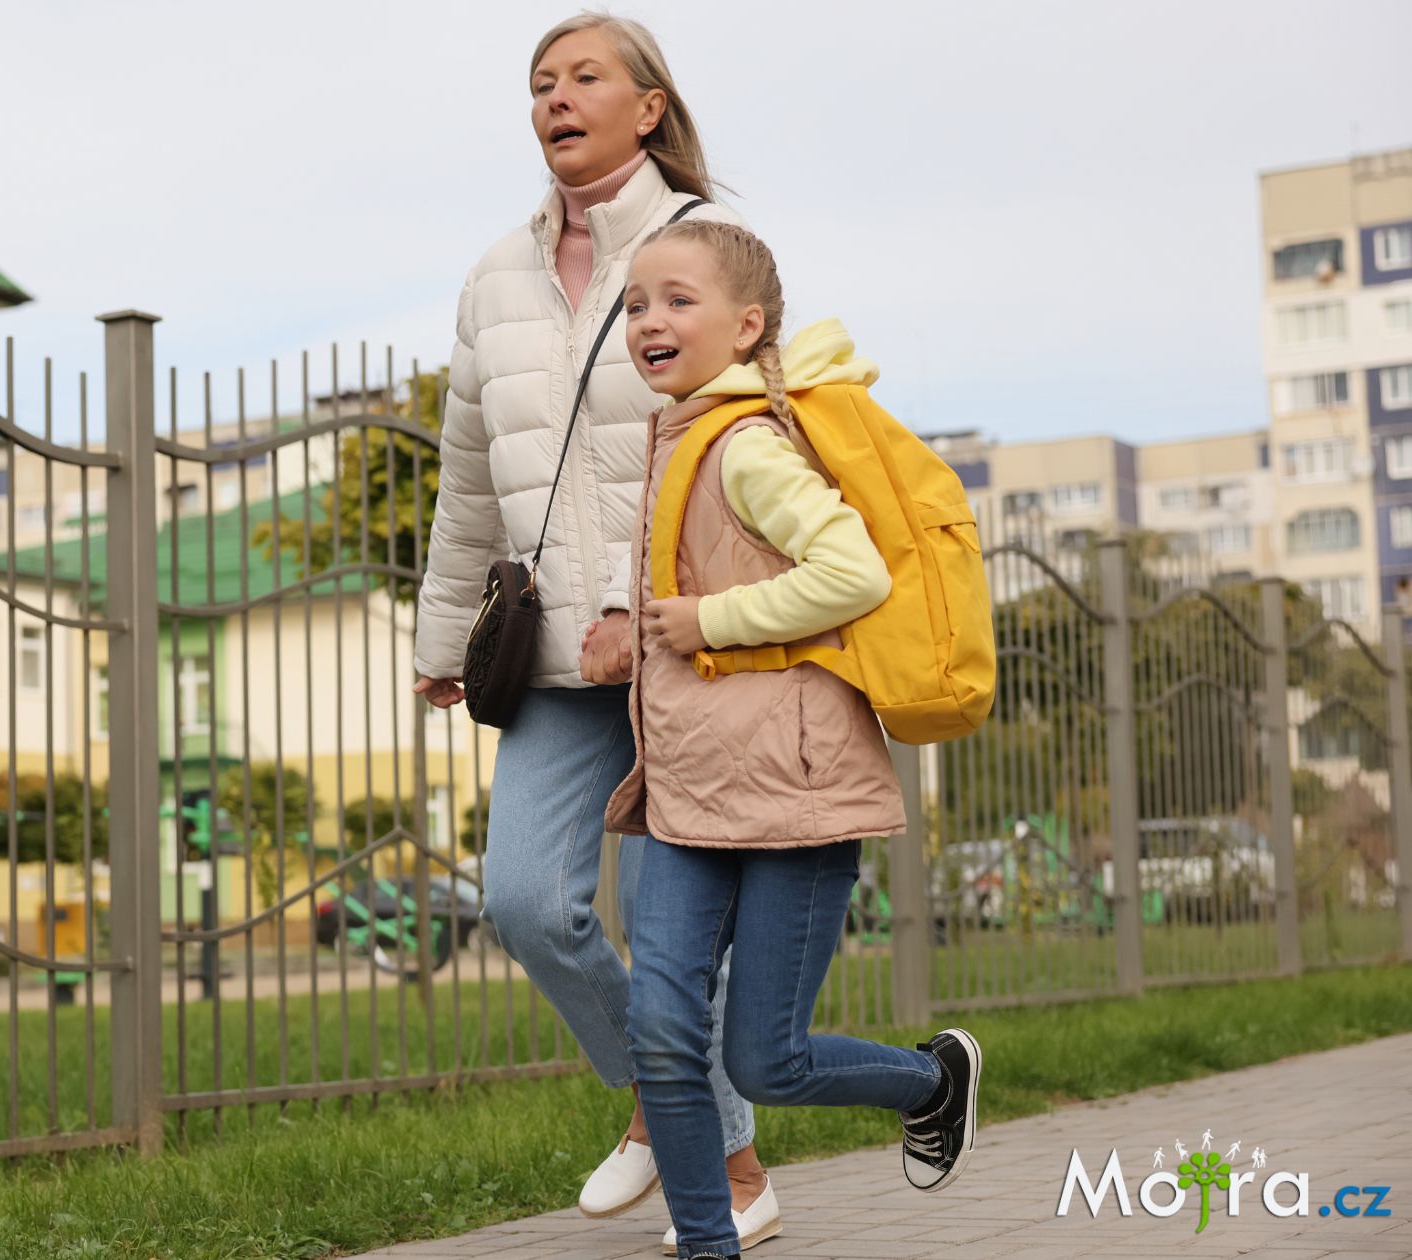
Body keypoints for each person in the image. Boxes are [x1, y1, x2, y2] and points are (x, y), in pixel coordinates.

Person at [411, 11, 777, 1239]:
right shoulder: (493, 278)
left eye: (582, 78)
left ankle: (708, 1180)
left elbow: (749, 439)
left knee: (685, 939)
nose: (554, 98)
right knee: (522, 900)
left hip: (691, 648)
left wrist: (642, 603)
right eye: (538, 83)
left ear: (648, 108)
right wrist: (442, 637)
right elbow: (470, 478)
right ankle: (688, 1122)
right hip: (560, 660)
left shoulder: (707, 251)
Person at [602, 217, 983, 1259]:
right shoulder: (677, 435)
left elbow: (851, 573)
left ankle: (930, 1079)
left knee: (763, 1060)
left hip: (793, 792)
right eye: (634, 304)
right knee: (663, 1036)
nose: (648, 320)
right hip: (686, 789)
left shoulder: (747, 443)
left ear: (747, 324)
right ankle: (709, 1245)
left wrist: (705, 623)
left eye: (677, 299)